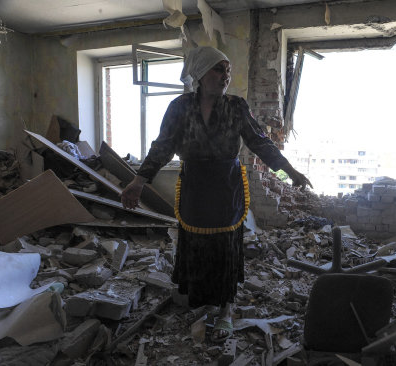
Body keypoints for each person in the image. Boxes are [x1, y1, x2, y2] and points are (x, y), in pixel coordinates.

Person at [121, 46, 311, 342]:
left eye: (228, 71)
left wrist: (290, 174)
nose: (226, 76)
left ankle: (225, 308)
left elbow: (261, 144)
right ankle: (201, 299)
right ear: (200, 73)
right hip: (195, 185)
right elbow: (162, 147)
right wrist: (138, 182)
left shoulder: (237, 106)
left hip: (226, 186)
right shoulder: (179, 107)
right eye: (218, 69)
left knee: (224, 246)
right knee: (196, 242)